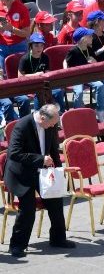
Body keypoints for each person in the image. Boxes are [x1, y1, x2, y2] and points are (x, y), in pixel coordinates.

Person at [4, 105, 74, 258]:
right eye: (53, 123)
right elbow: (14, 153)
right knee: (28, 208)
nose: (54, 126)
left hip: (41, 172)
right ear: (43, 118)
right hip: (21, 174)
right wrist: (40, 159)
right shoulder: (22, 125)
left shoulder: (49, 125)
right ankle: (16, 245)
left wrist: (58, 173)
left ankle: (58, 238)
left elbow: (54, 150)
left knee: (56, 201)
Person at [65, 27, 104, 122]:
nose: (92, 37)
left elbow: (95, 63)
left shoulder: (89, 49)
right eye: (90, 36)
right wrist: (67, 72)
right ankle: (79, 114)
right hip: (76, 77)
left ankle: (100, 110)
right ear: (83, 39)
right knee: (79, 92)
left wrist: (94, 61)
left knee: (100, 85)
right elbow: (66, 62)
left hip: (88, 76)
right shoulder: (73, 51)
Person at [19, 34, 65, 111]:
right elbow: (20, 77)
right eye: (36, 45)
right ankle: (38, 113)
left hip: (43, 83)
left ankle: (60, 112)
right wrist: (35, 75)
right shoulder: (24, 59)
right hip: (28, 85)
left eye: (41, 45)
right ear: (31, 45)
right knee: (39, 92)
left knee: (58, 91)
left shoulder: (45, 57)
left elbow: (47, 73)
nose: (39, 48)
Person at [0, 0, 30, 64]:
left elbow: (27, 33)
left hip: (19, 46)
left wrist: (12, 29)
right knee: (4, 76)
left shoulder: (22, 9)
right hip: (2, 47)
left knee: (22, 75)